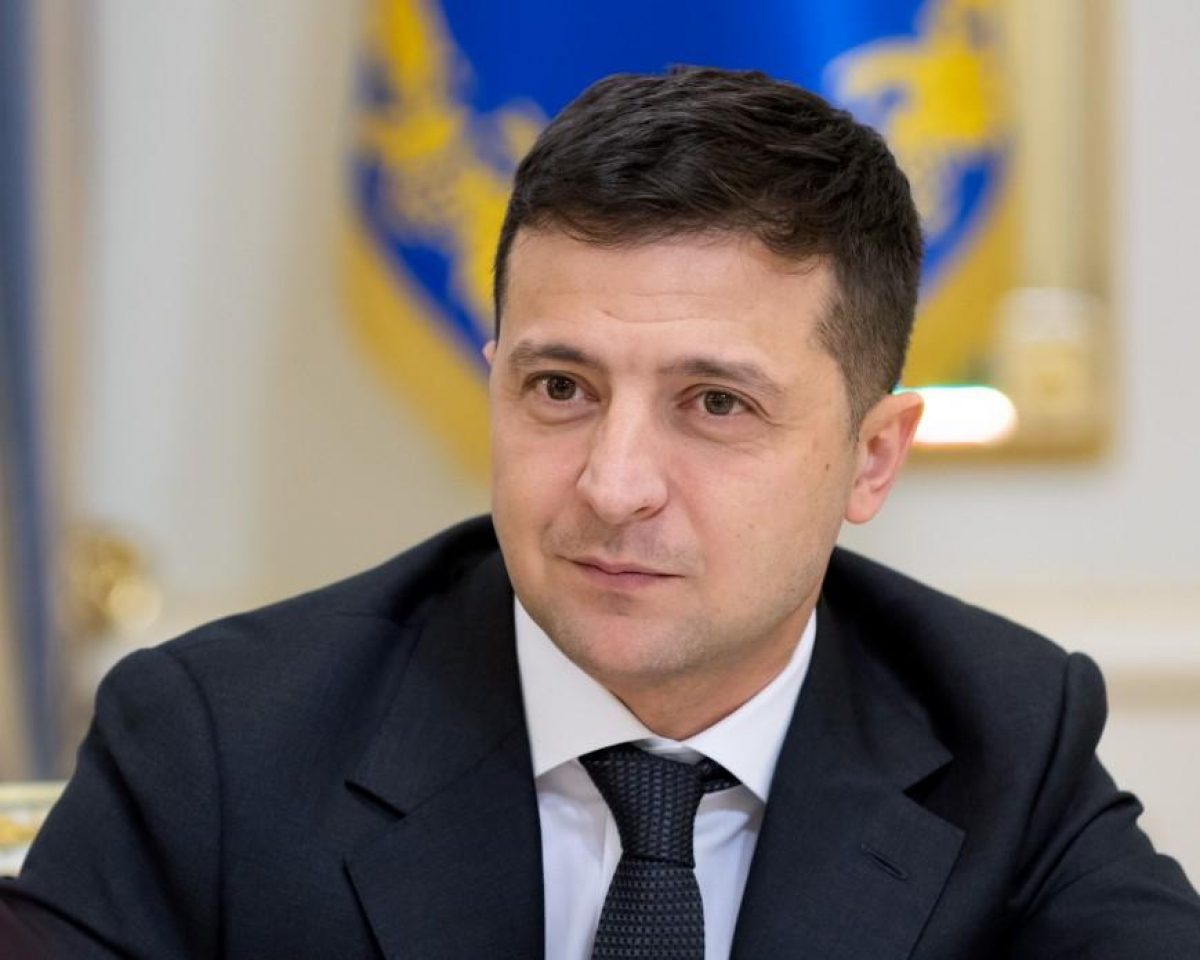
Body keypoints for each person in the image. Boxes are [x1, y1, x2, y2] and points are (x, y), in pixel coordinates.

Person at [3, 65, 1199, 959]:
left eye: (716, 404)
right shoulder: (222, 744)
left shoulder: (1002, 742)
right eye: (561, 389)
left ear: (871, 459)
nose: (613, 484)